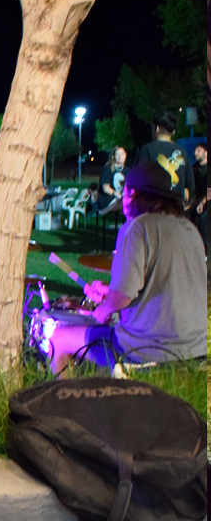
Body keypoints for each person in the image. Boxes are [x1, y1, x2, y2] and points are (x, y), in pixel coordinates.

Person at [49, 161, 206, 375]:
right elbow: (165, 285)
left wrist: (104, 309)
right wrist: (109, 291)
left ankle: (64, 396)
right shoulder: (190, 230)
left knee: (58, 337)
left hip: (148, 349)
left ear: (131, 194)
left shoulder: (137, 227)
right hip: (195, 350)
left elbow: (121, 299)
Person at [135, 112, 194, 204]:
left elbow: (137, 179)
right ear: (173, 132)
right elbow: (190, 183)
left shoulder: (147, 149)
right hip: (176, 207)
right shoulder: (183, 152)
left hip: (154, 205)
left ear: (157, 128)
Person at [97, 146, 130, 213]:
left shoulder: (127, 170)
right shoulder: (108, 168)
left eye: (122, 154)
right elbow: (106, 188)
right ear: (114, 156)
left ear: (125, 155)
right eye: (117, 154)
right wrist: (116, 194)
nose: (120, 157)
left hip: (121, 199)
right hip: (109, 200)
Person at [191, 143, 207, 251]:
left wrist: (203, 202)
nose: (195, 153)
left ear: (206, 153)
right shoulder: (194, 168)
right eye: (195, 150)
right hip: (198, 202)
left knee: (204, 218)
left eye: (198, 150)